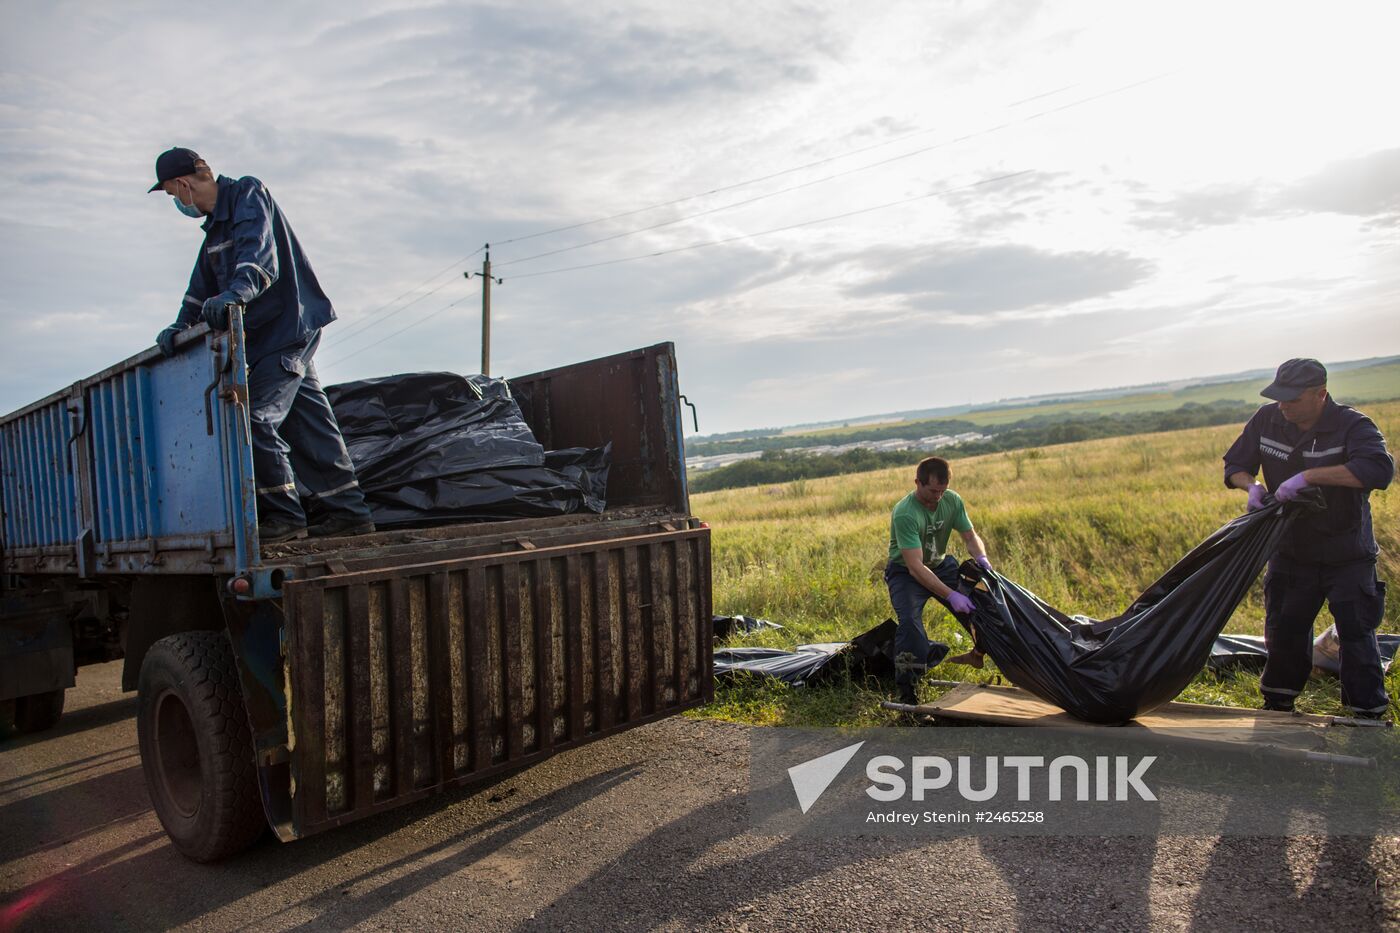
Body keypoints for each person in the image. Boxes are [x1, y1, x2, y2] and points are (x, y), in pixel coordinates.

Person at [149, 147, 375, 545]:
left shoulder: (248, 195)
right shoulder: (215, 233)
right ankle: (350, 513)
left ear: (183, 184)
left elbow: (260, 258)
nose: (177, 204)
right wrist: (180, 325)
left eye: (171, 195)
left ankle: (285, 516)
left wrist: (237, 293)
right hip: (267, 340)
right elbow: (199, 291)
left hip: (288, 328)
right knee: (309, 423)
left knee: (253, 417)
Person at [1223, 358, 1394, 719]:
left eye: (1293, 399)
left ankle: (1366, 716)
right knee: (1284, 628)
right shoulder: (1267, 419)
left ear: (1321, 394)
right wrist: (1251, 486)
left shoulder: (1353, 426)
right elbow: (1236, 465)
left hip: (1345, 552)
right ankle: (1278, 706)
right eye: (1279, 397)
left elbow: (1378, 470)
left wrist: (1309, 477)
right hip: (1289, 550)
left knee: (1356, 633)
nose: (1283, 406)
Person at [885, 456, 993, 705]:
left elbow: (969, 536)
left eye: (943, 491)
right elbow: (915, 567)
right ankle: (907, 689)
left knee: (983, 608)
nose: (938, 497)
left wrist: (982, 557)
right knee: (910, 624)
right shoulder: (905, 513)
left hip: (942, 565)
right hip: (906, 574)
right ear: (917, 483)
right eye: (933, 491)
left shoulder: (952, 500)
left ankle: (978, 654)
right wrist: (951, 595)